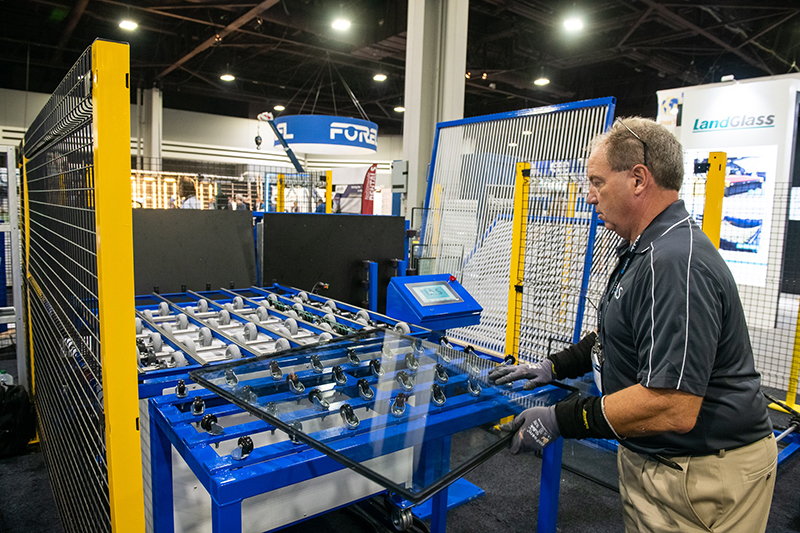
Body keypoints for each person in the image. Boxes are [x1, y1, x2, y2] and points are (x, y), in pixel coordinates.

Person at [490, 117, 776, 533]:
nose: (590, 197)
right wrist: (555, 366)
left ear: (638, 179)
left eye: (598, 182)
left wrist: (561, 419)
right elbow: (617, 333)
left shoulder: (675, 263)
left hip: (701, 477)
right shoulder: (645, 249)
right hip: (665, 463)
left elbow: (672, 405)